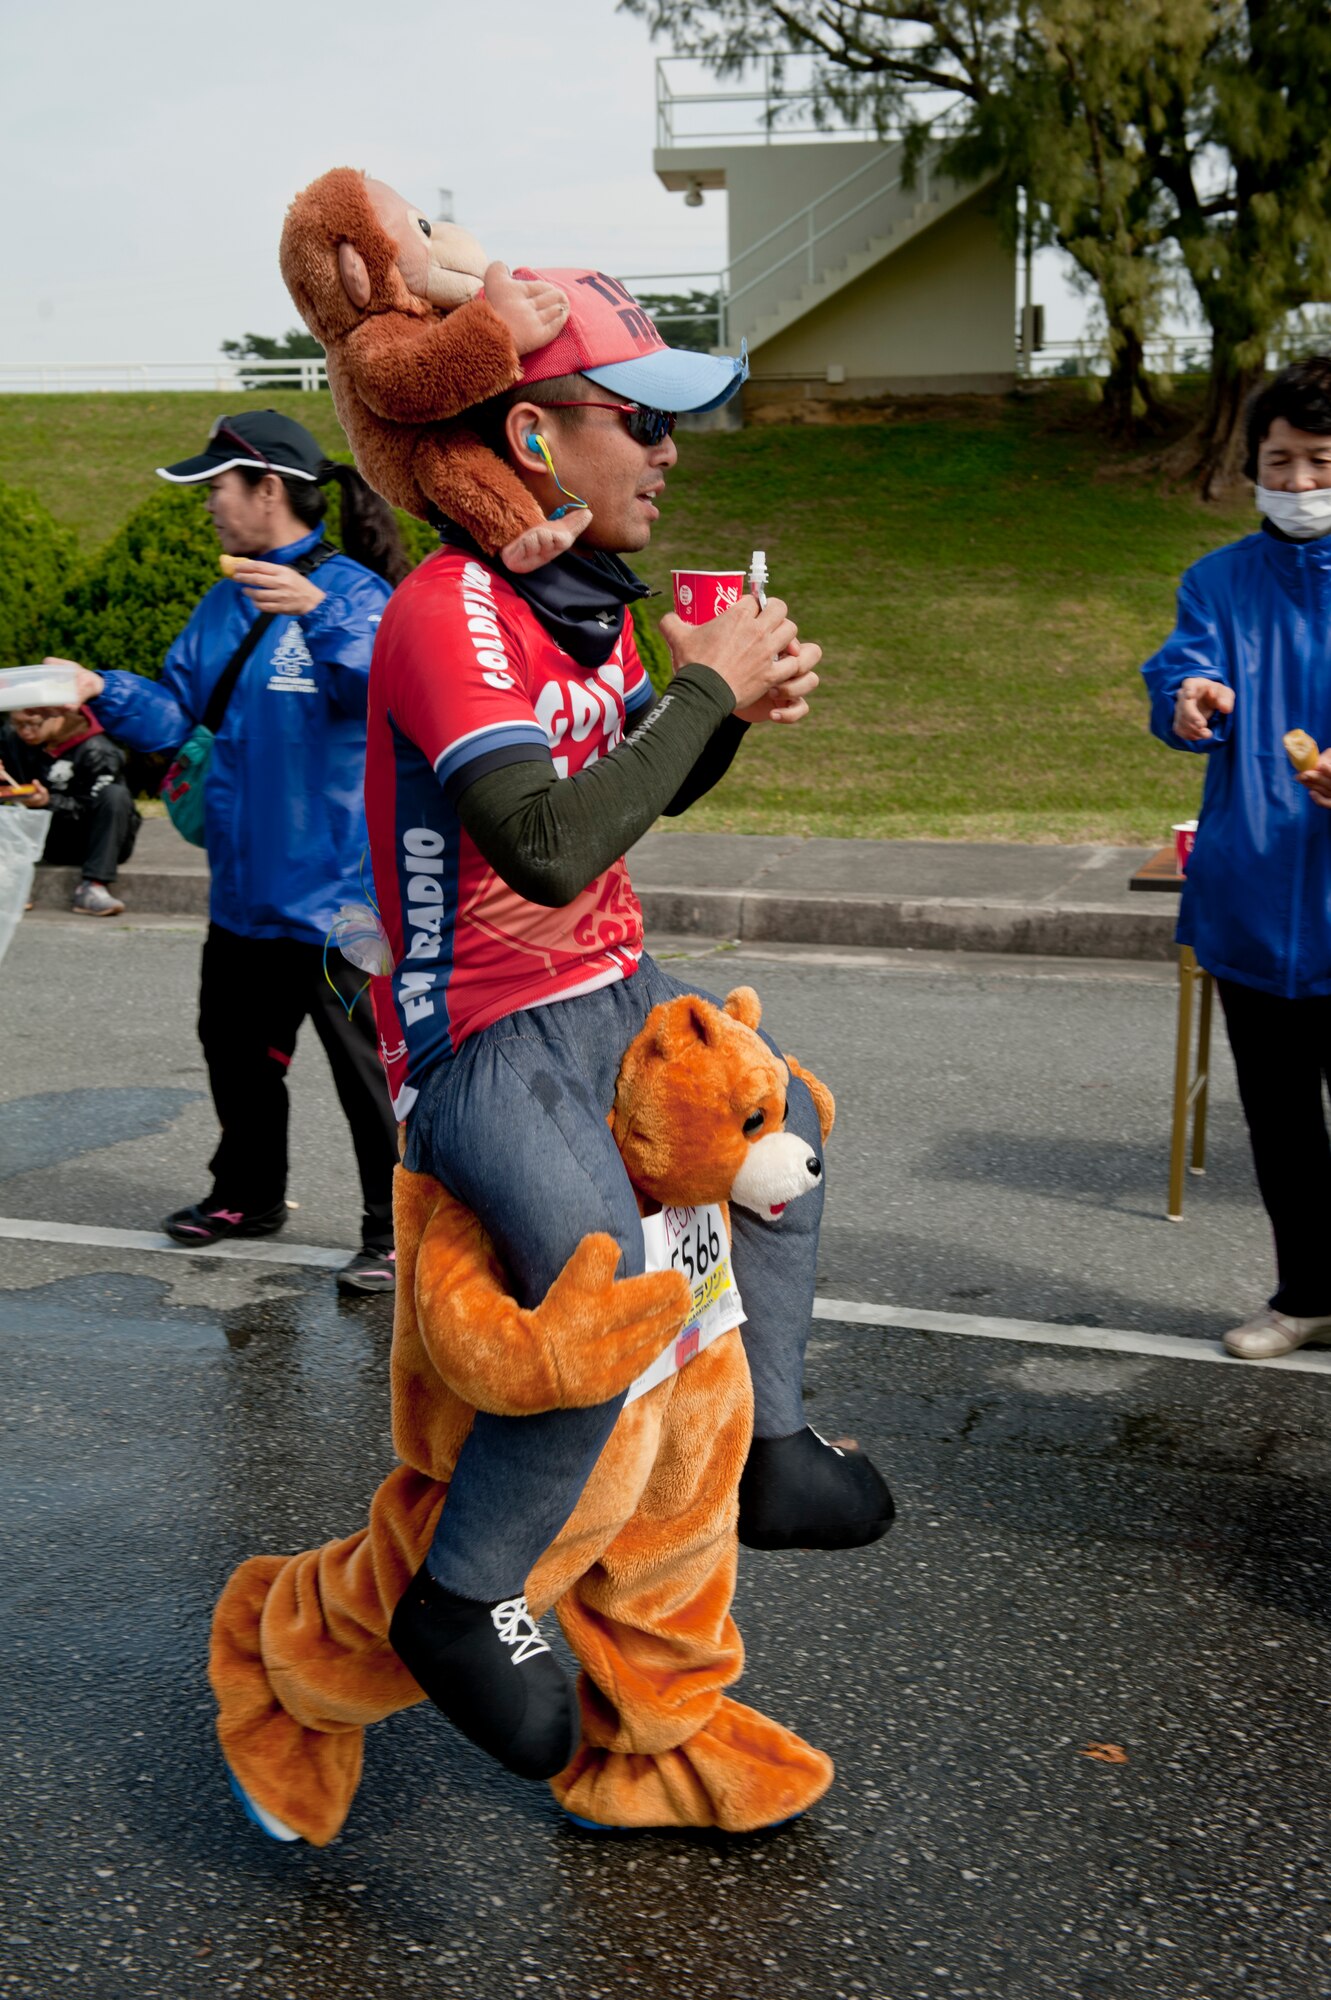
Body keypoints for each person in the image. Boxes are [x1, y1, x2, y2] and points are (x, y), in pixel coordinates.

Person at [369, 272, 894, 1778]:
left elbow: (616, 818)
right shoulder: (444, 608)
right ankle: (458, 1600)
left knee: (777, 1112)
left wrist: (714, 715)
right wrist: (693, 694)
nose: (668, 454)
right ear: (532, 433)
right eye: (638, 422)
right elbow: (539, 843)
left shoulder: (578, 601)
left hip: (605, 996)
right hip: (480, 1036)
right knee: (605, 1279)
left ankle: (772, 1446)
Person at [52, 411, 406, 1294]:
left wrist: (319, 615)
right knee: (233, 1054)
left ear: (269, 490)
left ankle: (396, 1230)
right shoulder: (225, 601)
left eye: (218, 486)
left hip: (343, 901)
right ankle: (247, 1195)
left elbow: (387, 692)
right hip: (244, 893)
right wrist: (101, 689)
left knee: (371, 1076)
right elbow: (178, 716)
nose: (209, 504)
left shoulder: (358, 596)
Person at [1142, 354, 1331, 1360]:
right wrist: (1187, 698)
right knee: (1281, 1126)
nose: (1297, 483)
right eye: (1279, 461)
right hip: (1249, 904)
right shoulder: (1213, 580)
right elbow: (1182, 668)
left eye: (1317, 461)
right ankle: (1304, 1294)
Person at [0, 703, 139, 915]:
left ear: (56, 715)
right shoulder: (13, 739)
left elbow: (89, 808)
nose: (25, 731)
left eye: (32, 724)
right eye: (17, 724)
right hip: (45, 838)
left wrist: (48, 802)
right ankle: (10, 886)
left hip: (96, 839)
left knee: (115, 794)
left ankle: (94, 887)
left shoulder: (98, 750)